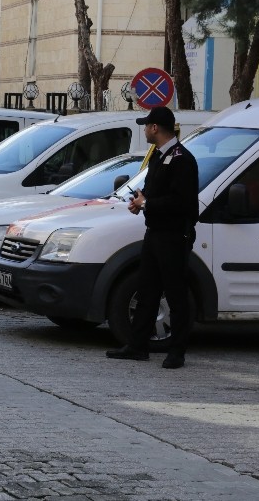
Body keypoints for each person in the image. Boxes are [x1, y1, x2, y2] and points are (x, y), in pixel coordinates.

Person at [107, 106, 198, 370]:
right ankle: (137, 346)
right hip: (155, 233)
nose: (145, 129)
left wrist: (149, 204)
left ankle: (177, 351)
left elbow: (181, 202)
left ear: (155, 128)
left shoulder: (182, 159)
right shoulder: (159, 156)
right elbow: (153, 191)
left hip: (173, 235)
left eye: (147, 125)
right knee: (147, 290)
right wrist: (140, 202)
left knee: (175, 293)